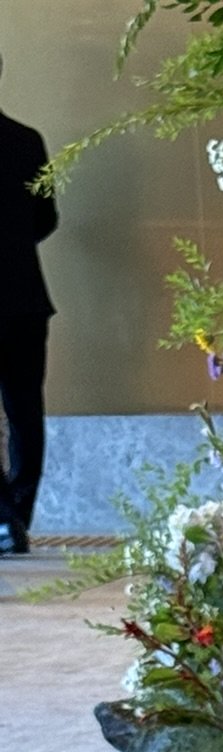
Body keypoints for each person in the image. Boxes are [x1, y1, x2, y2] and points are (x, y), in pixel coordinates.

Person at [0, 56, 57, 557]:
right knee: (24, 411)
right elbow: (47, 219)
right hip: (24, 297)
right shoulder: (27, 140)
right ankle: (16, 515)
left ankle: (2, 517)